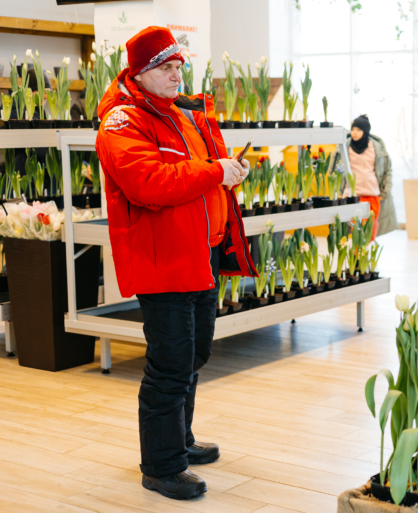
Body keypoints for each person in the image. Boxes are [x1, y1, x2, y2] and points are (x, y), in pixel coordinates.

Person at [95, 27, 256, 501]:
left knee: (195, 353)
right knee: (169, 364)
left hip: (198, 256)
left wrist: (227, 172)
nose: (176, 74)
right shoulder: (122, 123)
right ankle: (162, 466)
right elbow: (149, 182)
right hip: (163, 261)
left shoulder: (178, 116)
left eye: (179, 65)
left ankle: (179, 440)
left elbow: (200, 173)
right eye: (166, 68)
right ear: (141, 73)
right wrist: (214, 171)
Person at [340, 115, 397, 238]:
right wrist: (338, 191)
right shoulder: (345, 146)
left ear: (365, 131)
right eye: (353, 129)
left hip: (372, 195)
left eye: (358, 130)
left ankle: (363, 255)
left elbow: (387, 170)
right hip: (351, 195)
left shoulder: (376, 147)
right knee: (354, 232)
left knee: (370, 231)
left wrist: (385, 191)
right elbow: (336, 169)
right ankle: (356, 256)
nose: (354, 133)